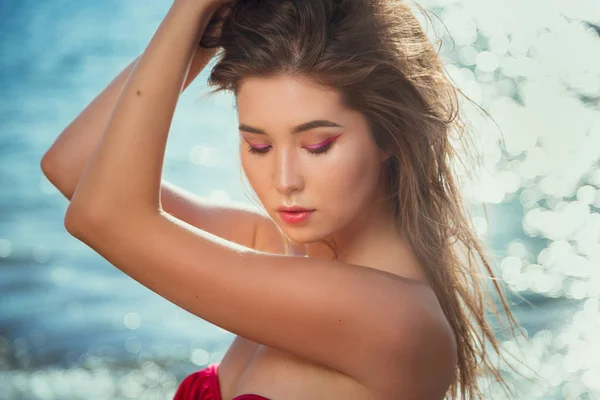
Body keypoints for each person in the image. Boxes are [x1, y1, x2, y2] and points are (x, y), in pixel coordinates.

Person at [40, 0, 523, 398]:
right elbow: (74, 168)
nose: (284, 180)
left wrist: (190, 8)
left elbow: (101, 214)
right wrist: (205, 37)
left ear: (389, 136)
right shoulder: (272, 247)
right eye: (259, 145)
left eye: (317, 146)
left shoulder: (394, 319)